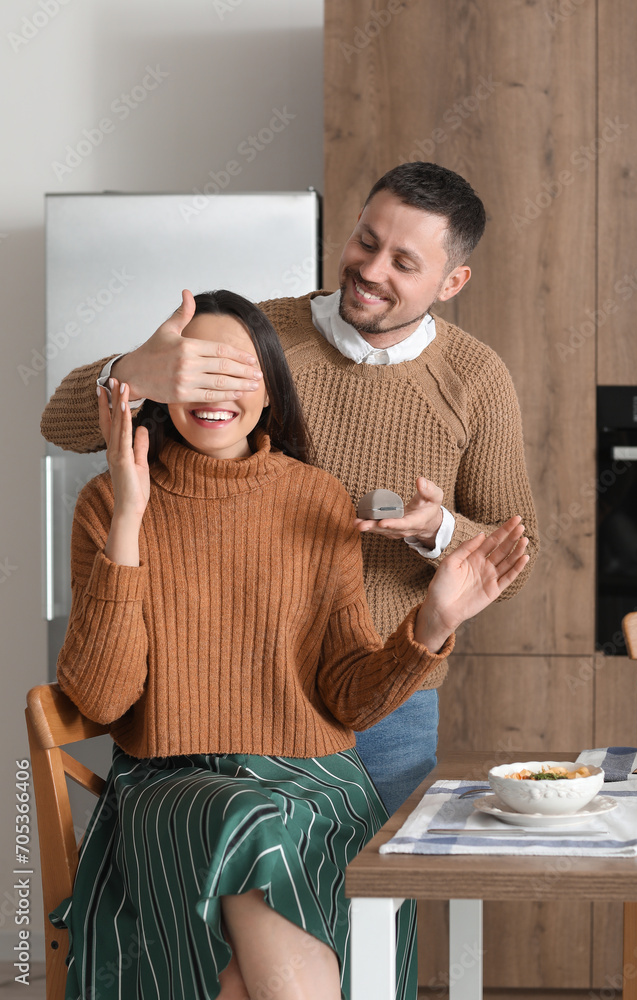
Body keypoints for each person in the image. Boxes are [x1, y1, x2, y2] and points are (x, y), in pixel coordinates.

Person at [49, 290, 528, 1000]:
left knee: (247, 967)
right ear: (164, 383)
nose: (214, 391)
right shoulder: (107, 502)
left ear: (271, 387)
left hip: (314, 782)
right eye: (196, 370)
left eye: (236, 371)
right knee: (250, 820)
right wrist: (128, 517)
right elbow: (101, 698)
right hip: (172, 788)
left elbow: (346, 694)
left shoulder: (316, 498)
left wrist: (431, 623)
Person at [40, 162, 539, 815]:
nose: (370, 268)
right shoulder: (265, 336)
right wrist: (130, 370)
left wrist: (438, 531)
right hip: (233, 689)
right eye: (366, 240)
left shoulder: (476, 379)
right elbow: (61, 423)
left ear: (451, 281)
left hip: (385, 690)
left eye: (403, 262)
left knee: (381, 897)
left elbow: (511, 561)